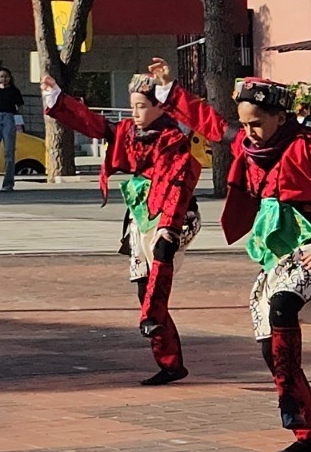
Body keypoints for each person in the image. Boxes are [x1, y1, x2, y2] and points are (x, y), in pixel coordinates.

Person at [161, 71, 311, 452]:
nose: (249, 131)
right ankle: (309, 437)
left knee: (283, 307)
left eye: (257, 123)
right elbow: (212, 126)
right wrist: (170, 91)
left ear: (280, 118)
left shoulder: (305, 146)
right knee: (272, 351)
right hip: (275, 254)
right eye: (246, 123)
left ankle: (289, 395)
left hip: (309, 247)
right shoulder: (249, 148)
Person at [43, 74, 202, 385]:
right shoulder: (130, 131)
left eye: (141, 106)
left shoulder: (174, 140)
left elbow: (179, 186)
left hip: (176, 211)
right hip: (142, 213)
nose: (134, 113)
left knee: (161, 256)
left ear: (161, 108)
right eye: (132, 106)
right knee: (144, 287)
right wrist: (60, 100)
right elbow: (97, 125)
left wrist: (169, 227)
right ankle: (170, 362)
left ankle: (153, 319)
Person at [0, 68, 23, 192]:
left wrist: (18, 123)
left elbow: (20, 107)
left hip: (8, 118)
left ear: (10, 78)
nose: (4, 79)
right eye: (1, 76)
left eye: (6, 76)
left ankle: (8, 183)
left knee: (9, 152)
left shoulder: (14, 91)